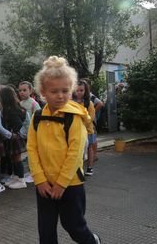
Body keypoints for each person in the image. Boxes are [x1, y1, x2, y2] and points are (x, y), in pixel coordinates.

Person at [27, 56, 101, 244]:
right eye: (54, 91)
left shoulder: (74, 117)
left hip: (70, 184)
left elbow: (75, 154)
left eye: (65, 91)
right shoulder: (37, 117)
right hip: (44, 185)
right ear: (43, 92)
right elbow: (32, 149)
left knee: (74, 226)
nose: (60, 95)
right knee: (46, 230)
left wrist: (61, 183)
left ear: (72, 90)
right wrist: (39, 179)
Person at [0, 86, 30, 189]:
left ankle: (21, 180)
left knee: (17, 158)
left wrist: (13, 133)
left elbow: (18, 124)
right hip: (15, 137)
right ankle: (16, 177)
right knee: (14, 158)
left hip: (15, 138)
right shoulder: (14, 106)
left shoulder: (11, 109)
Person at [73, 79, 97, 176]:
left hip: (87, 130)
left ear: (85, 90)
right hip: (75, 130)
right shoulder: (71, 102)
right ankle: (78, 168)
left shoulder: (89, 103)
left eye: (81, 90)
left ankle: (90, 167)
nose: (78, 92)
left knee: (89, 148)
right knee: (77, 149)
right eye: (76, 90)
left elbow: (91, 117)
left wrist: (82, 124)